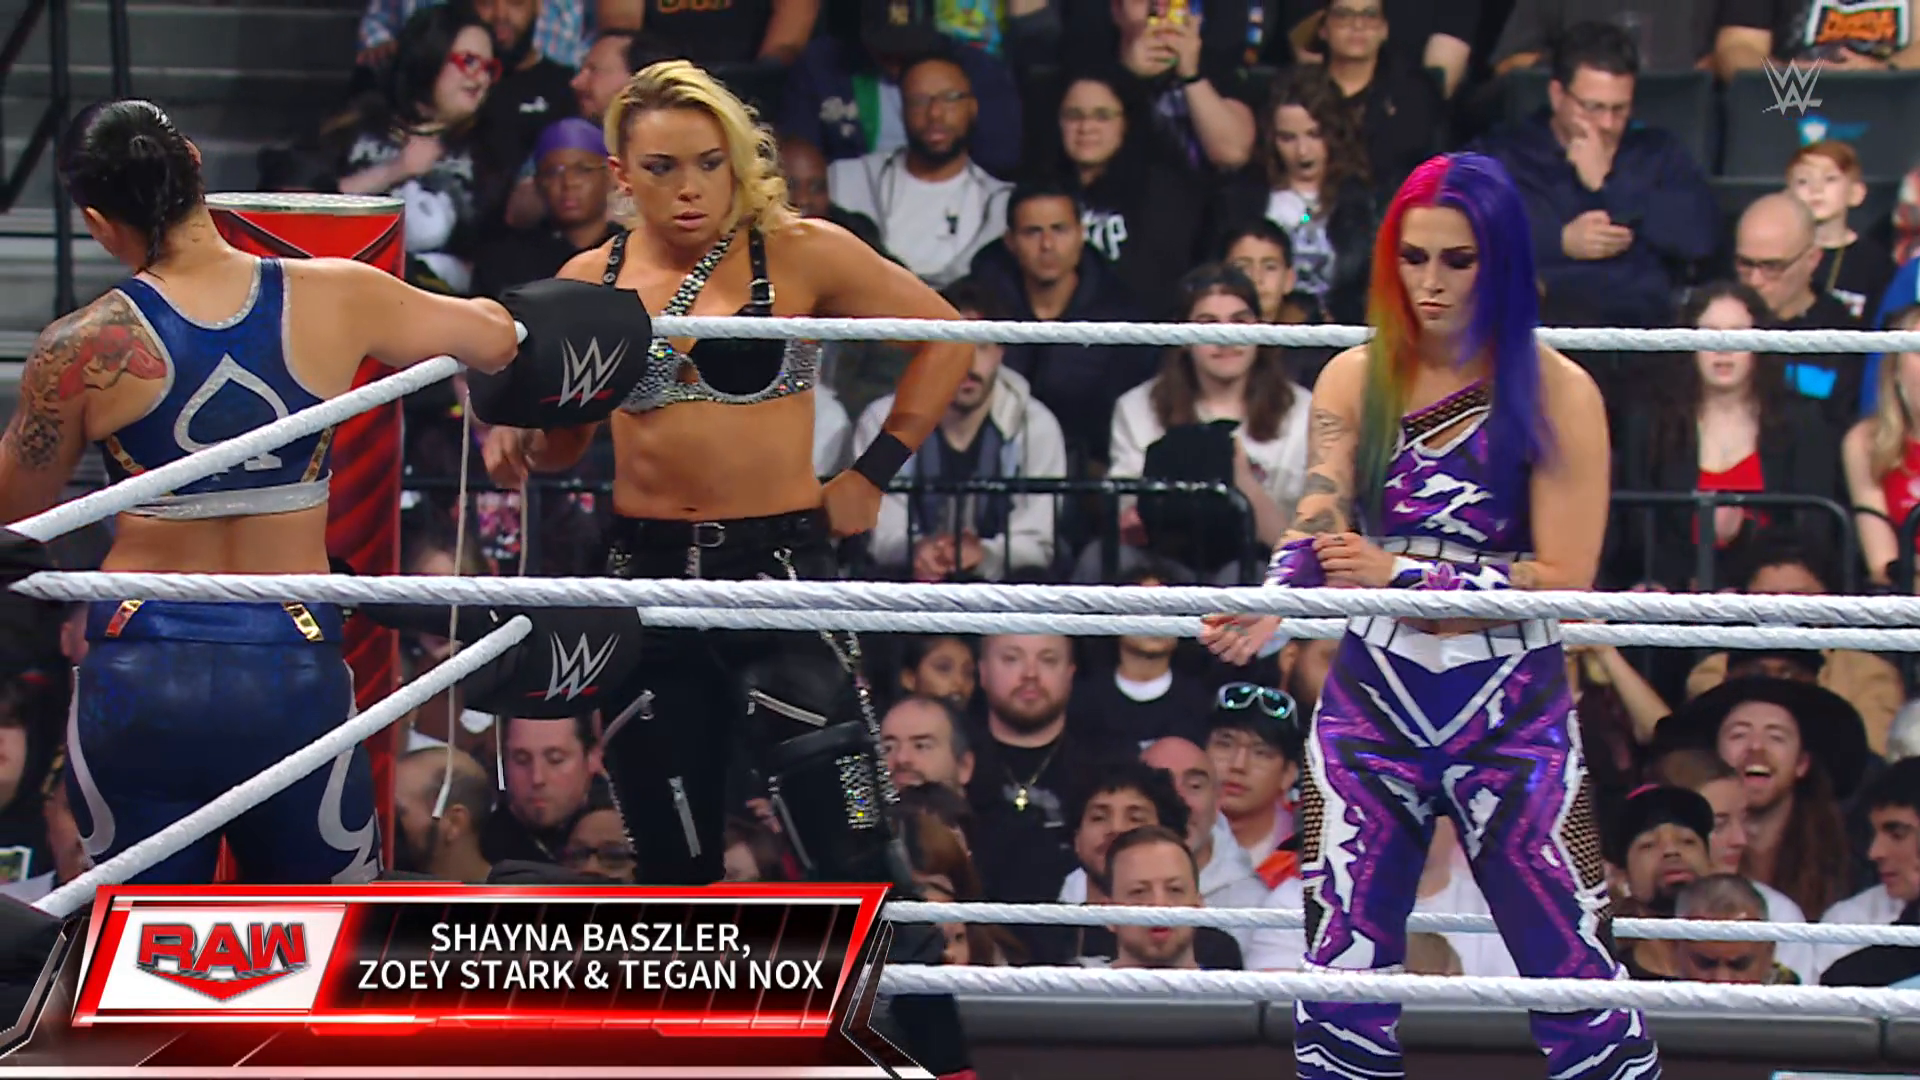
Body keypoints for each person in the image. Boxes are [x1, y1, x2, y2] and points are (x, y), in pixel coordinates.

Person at [477, 60, 975, 1077]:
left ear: (738, 160)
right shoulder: (588, 280)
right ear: (623, 173)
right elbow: (567, 445)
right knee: (673, 869)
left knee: (855, 852)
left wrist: (872, 472)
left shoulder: (798, 249)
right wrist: (526, 432)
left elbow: (948, 336)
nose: (690, 188)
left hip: (777, 569)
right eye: (663, 168)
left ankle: (941, 1068)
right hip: (646, 578)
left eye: (709, 162)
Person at [0, 99, 589, 886]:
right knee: (327, 934)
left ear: (98, 222)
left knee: (144, 939)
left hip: (143, 661)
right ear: (196, 164)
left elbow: (16, 512)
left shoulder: (81, 348)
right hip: (287, 650)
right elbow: (498, 335)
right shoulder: (336, 295)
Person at [1200, 152, 1659, 1080]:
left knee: (1577, 978)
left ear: (1501, 263)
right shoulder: (1353, 377)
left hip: (1514, 710)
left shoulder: (1559, 390)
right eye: (1413, 258)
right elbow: (1321, 514)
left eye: (1458, 260)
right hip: (1373, 703)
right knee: (1339, 983)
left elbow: (1567, 579)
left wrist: (1400, 572)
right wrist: (1273, 601)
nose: (1432, 283)